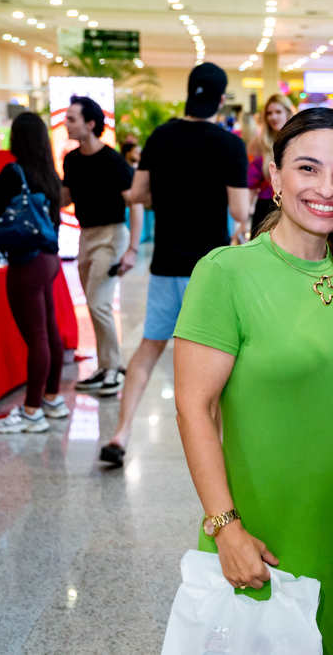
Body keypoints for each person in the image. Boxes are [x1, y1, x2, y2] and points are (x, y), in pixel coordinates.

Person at [174, 108, 333, 655]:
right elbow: (194, 408)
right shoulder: (226, 273)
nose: (326, 188)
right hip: (258, 535)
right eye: (308, 168)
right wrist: (226, 529)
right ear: (275, 177)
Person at [99, 63, 250, 466]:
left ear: (188, 92)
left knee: (149, 349)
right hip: (211, 271)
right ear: (220, 99)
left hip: (166, 264)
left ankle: (121, 433)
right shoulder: (229, 146)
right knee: (218, 364)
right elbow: (239, 211)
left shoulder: (160, 136)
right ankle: (219, 453)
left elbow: (137, 192)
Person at [0, 112, 69, 433]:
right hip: (49, 258)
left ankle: (32, 410)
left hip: (26, 262)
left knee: (37, 337)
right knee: (49, 330)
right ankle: (53, 398)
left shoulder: (13, 173)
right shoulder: (48, 174)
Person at [61, 95, 137, 396]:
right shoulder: (71, 159)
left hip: (111, 235)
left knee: (98, 303)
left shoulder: (112, 160)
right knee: (95, 304)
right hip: (85, 236)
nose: (66, 124)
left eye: (72, 119)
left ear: (91, 124)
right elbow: (65, 199)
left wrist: (131, 248)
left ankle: (114, 368)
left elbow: (135, 203)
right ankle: (107, 365)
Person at [247, 94, 295, 237]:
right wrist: (242, 219)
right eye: (269, 113)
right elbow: (251, 184)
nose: (273, 117)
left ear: (287, 112)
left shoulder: (300, 140)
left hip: (295, 207)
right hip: (266, 209)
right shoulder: (258, 143)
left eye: (278, 112)